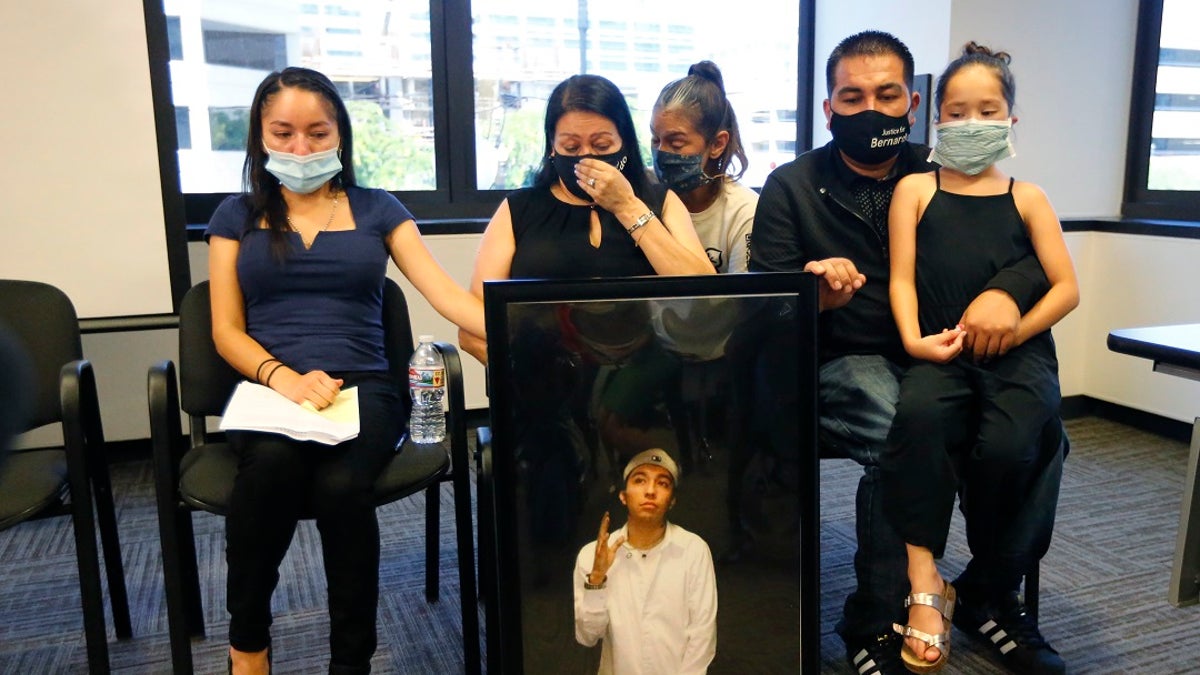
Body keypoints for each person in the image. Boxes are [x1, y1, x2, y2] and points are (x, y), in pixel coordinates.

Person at [750, 31, 1065, 675]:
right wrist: (817, 296)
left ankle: (989, 591)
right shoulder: (791, 185)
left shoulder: (945, 166)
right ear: (829, 108)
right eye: (852, 96)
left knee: (1039, 430)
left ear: (913, 104)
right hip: (847, 358)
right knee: (903, 423)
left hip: (945, 355)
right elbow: (767, 310)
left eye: (887, 94)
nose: (872, 109)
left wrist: (1006, 292)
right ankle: (877, 613)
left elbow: (1025, 242)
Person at [205, 66, 485, 675]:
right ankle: (247, 647)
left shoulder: (379, 210)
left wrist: (535, 327)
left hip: (366, 389)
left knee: (340, 489)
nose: (300, 149)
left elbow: (448, 296)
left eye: (317, 133)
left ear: (341, 136)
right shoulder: (233, 217)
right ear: (259, 137)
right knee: (273, 465)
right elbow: (226, 330)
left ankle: (350, 661)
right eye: (283, 133)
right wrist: (284, 379)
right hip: (269, 389)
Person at [883, 43, 1078, 673]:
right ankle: (927, 582)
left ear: (1010, 121)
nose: (971, 124)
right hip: (940, 351)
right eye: (957, 112)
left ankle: (985, 584)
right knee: (916, 422)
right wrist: (914, 340)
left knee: (1013, 445)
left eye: (986, 111)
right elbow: (903, 279)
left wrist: (1016, 329)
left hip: (1019, 359)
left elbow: (1067, 287)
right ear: (935, 118)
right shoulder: (915, 189)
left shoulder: (1029, 197)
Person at [458, 73, 714, 366]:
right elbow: (472, 325)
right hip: (543, 376)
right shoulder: (519, 209)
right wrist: (521, 372)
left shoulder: (661, 201)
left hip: (647, 373)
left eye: (602, 146)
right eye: (571, 148)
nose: (586, 157)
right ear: (552, 147)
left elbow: (704, 297)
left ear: (625, 144)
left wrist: (627, 206)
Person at [574, 449, 717, 674]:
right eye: (640, 481)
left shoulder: (693, 550)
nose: (650, 491)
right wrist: (597, 579)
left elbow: (703, 636)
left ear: (672, 501)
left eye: (662, 484)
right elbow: (587, 637)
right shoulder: (593, 555)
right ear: (623, 495)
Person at [650, 61, 756, 274]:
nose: (661, 152)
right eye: (655, 139)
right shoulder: (640, 193)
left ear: (717, 144)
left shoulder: (743, 212)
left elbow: (745, 302)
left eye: (676, 143)